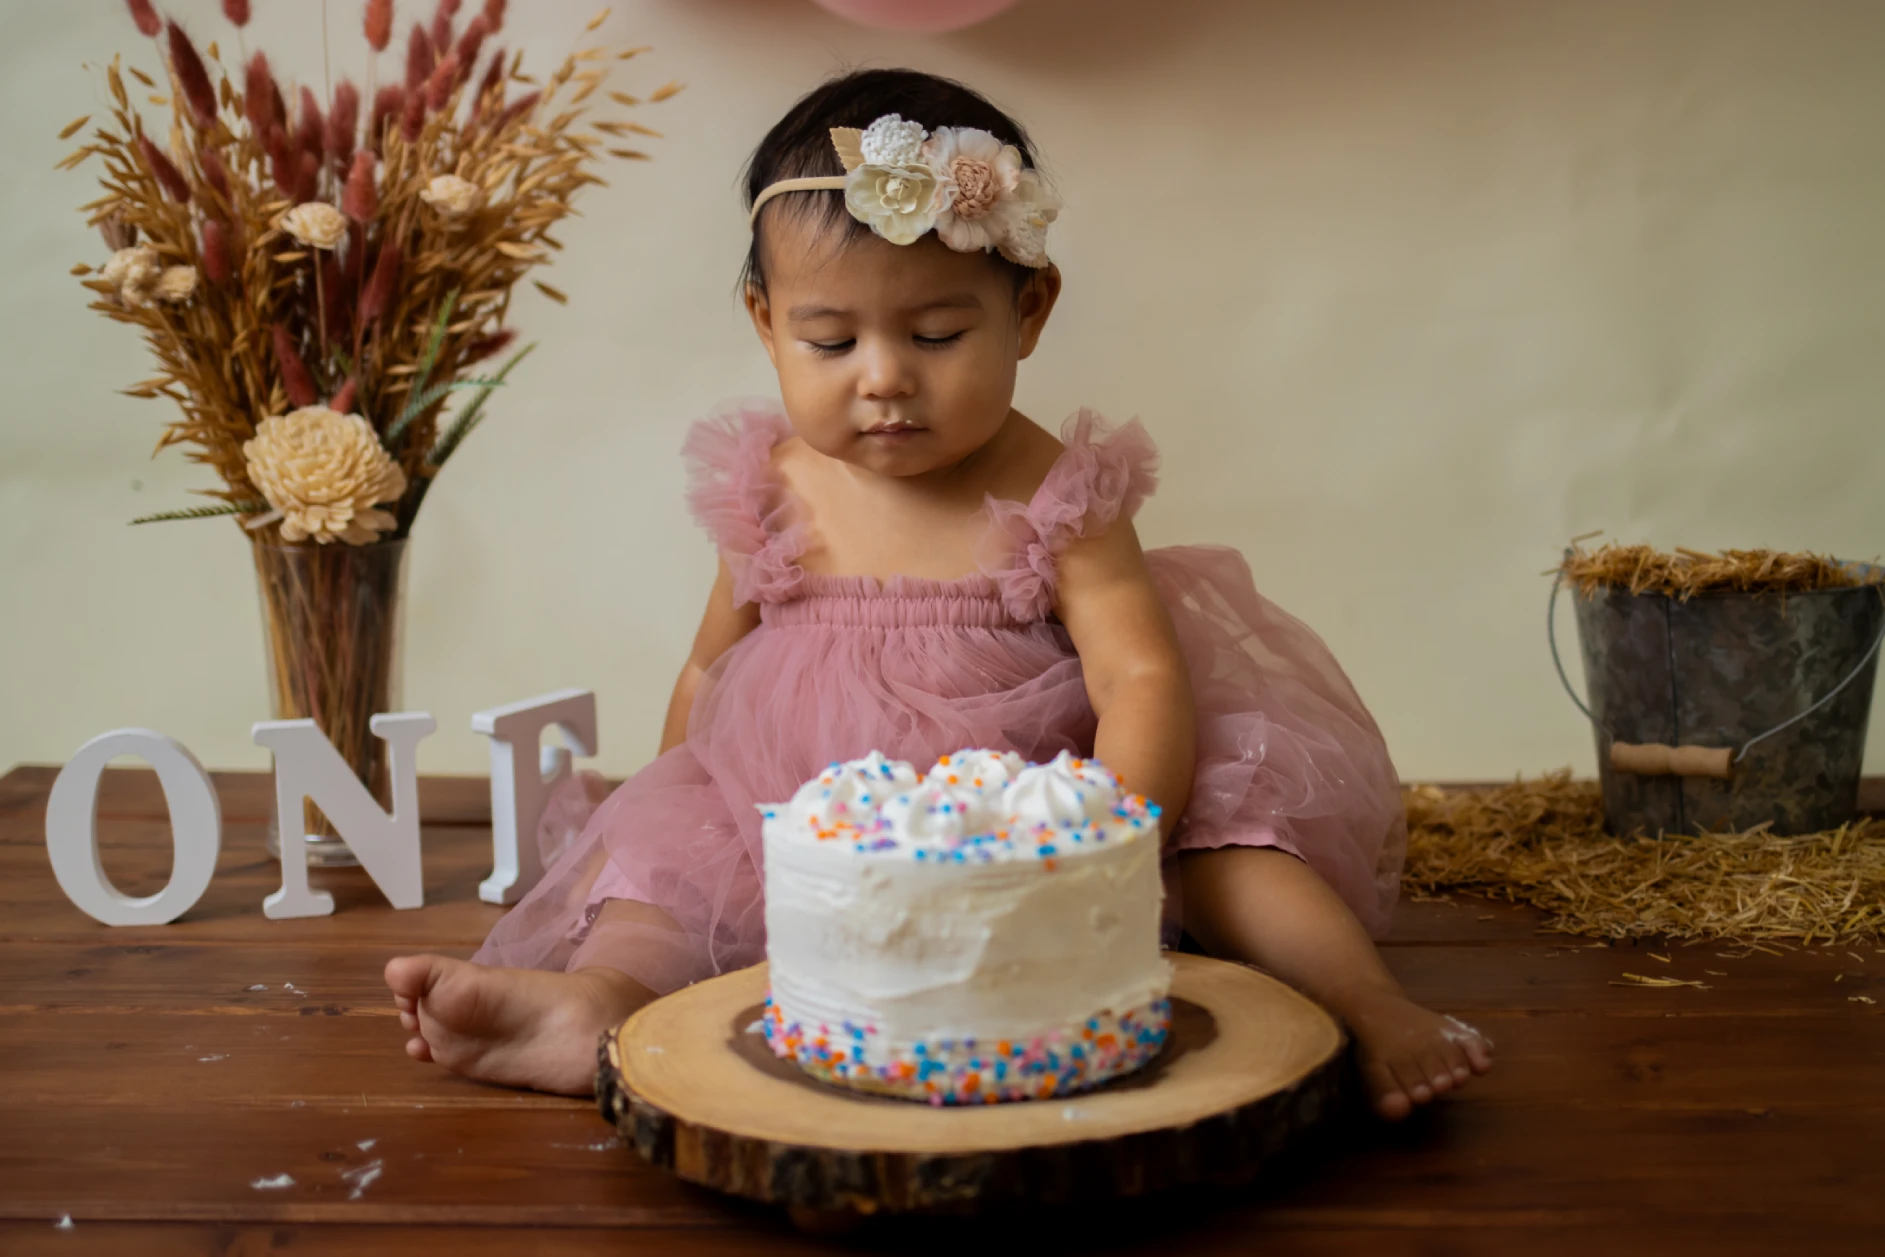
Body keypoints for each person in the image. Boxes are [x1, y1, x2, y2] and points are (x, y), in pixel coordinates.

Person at [386, 68, 1493, 1120]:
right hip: (803, 807)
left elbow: (1138, 672)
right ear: (766, 324)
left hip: (1038, 807)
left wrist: (1109, 839)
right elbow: (708, 668)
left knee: (1234, 829)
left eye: (936, 334)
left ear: (1030, 311)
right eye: (831, 338)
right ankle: (601, 1005)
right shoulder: (766, 486)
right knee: (666, 869)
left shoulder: (1055, 489)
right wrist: (672, 799)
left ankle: (1365, 1002)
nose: (884, 377)